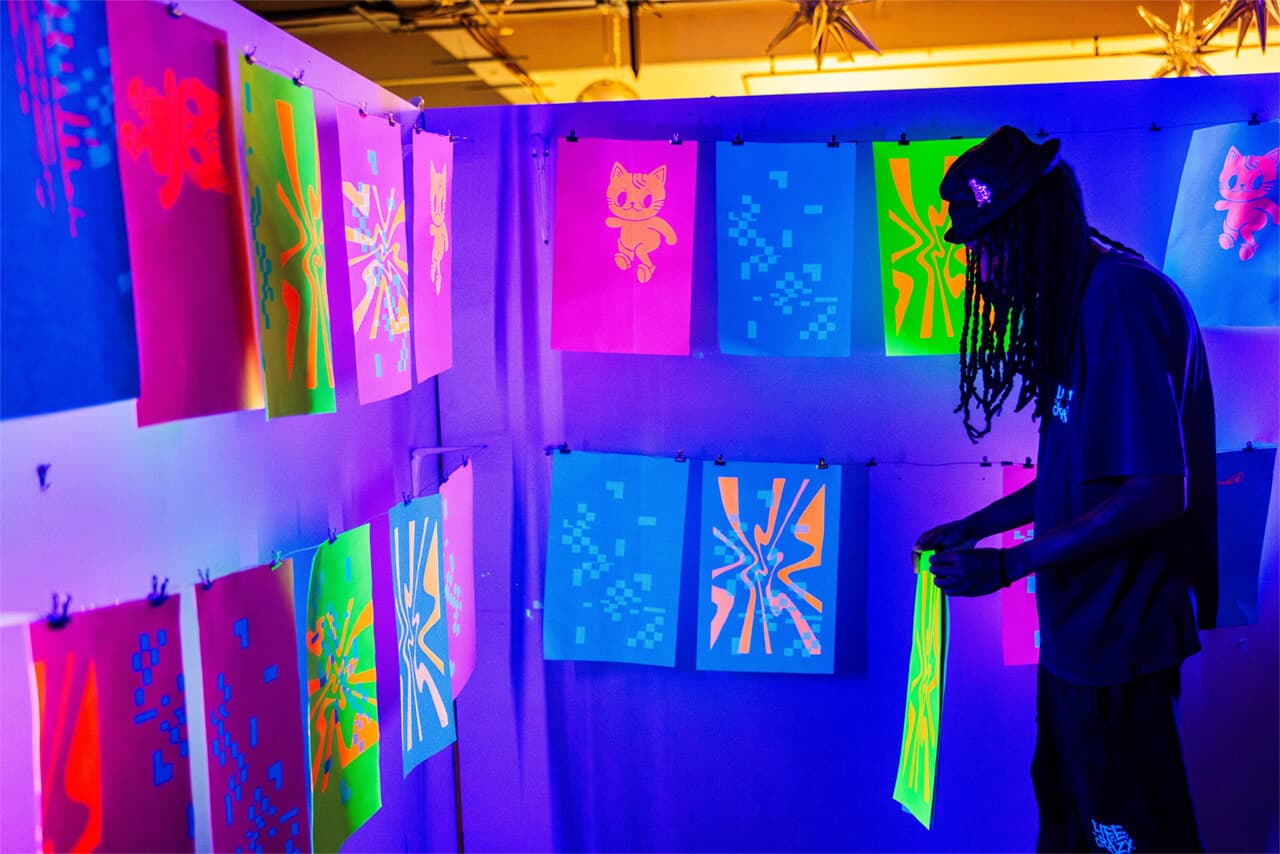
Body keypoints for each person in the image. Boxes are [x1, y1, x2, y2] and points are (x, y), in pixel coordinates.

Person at [914, 126, 1218, 853]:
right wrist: (979, 526)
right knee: (1072, 830)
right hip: (1076, 647)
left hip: (1119, 649)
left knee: (1129, 841)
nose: (980, 269)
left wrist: (1009, 566)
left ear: (1034, 225)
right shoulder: (1075, 301)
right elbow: (1077, 476)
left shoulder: (1121, 301)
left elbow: (1156, 491)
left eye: (989, 245)